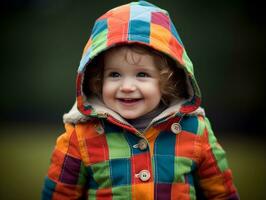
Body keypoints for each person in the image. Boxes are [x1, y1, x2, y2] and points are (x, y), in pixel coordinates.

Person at [42, 1, 239, 199]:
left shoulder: (195, 129)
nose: (127, 87)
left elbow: (221, 192)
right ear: (98, 79)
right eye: (115, 74)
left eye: (142, 74)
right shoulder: (81, 134)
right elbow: (60, 193)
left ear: (167, 81)